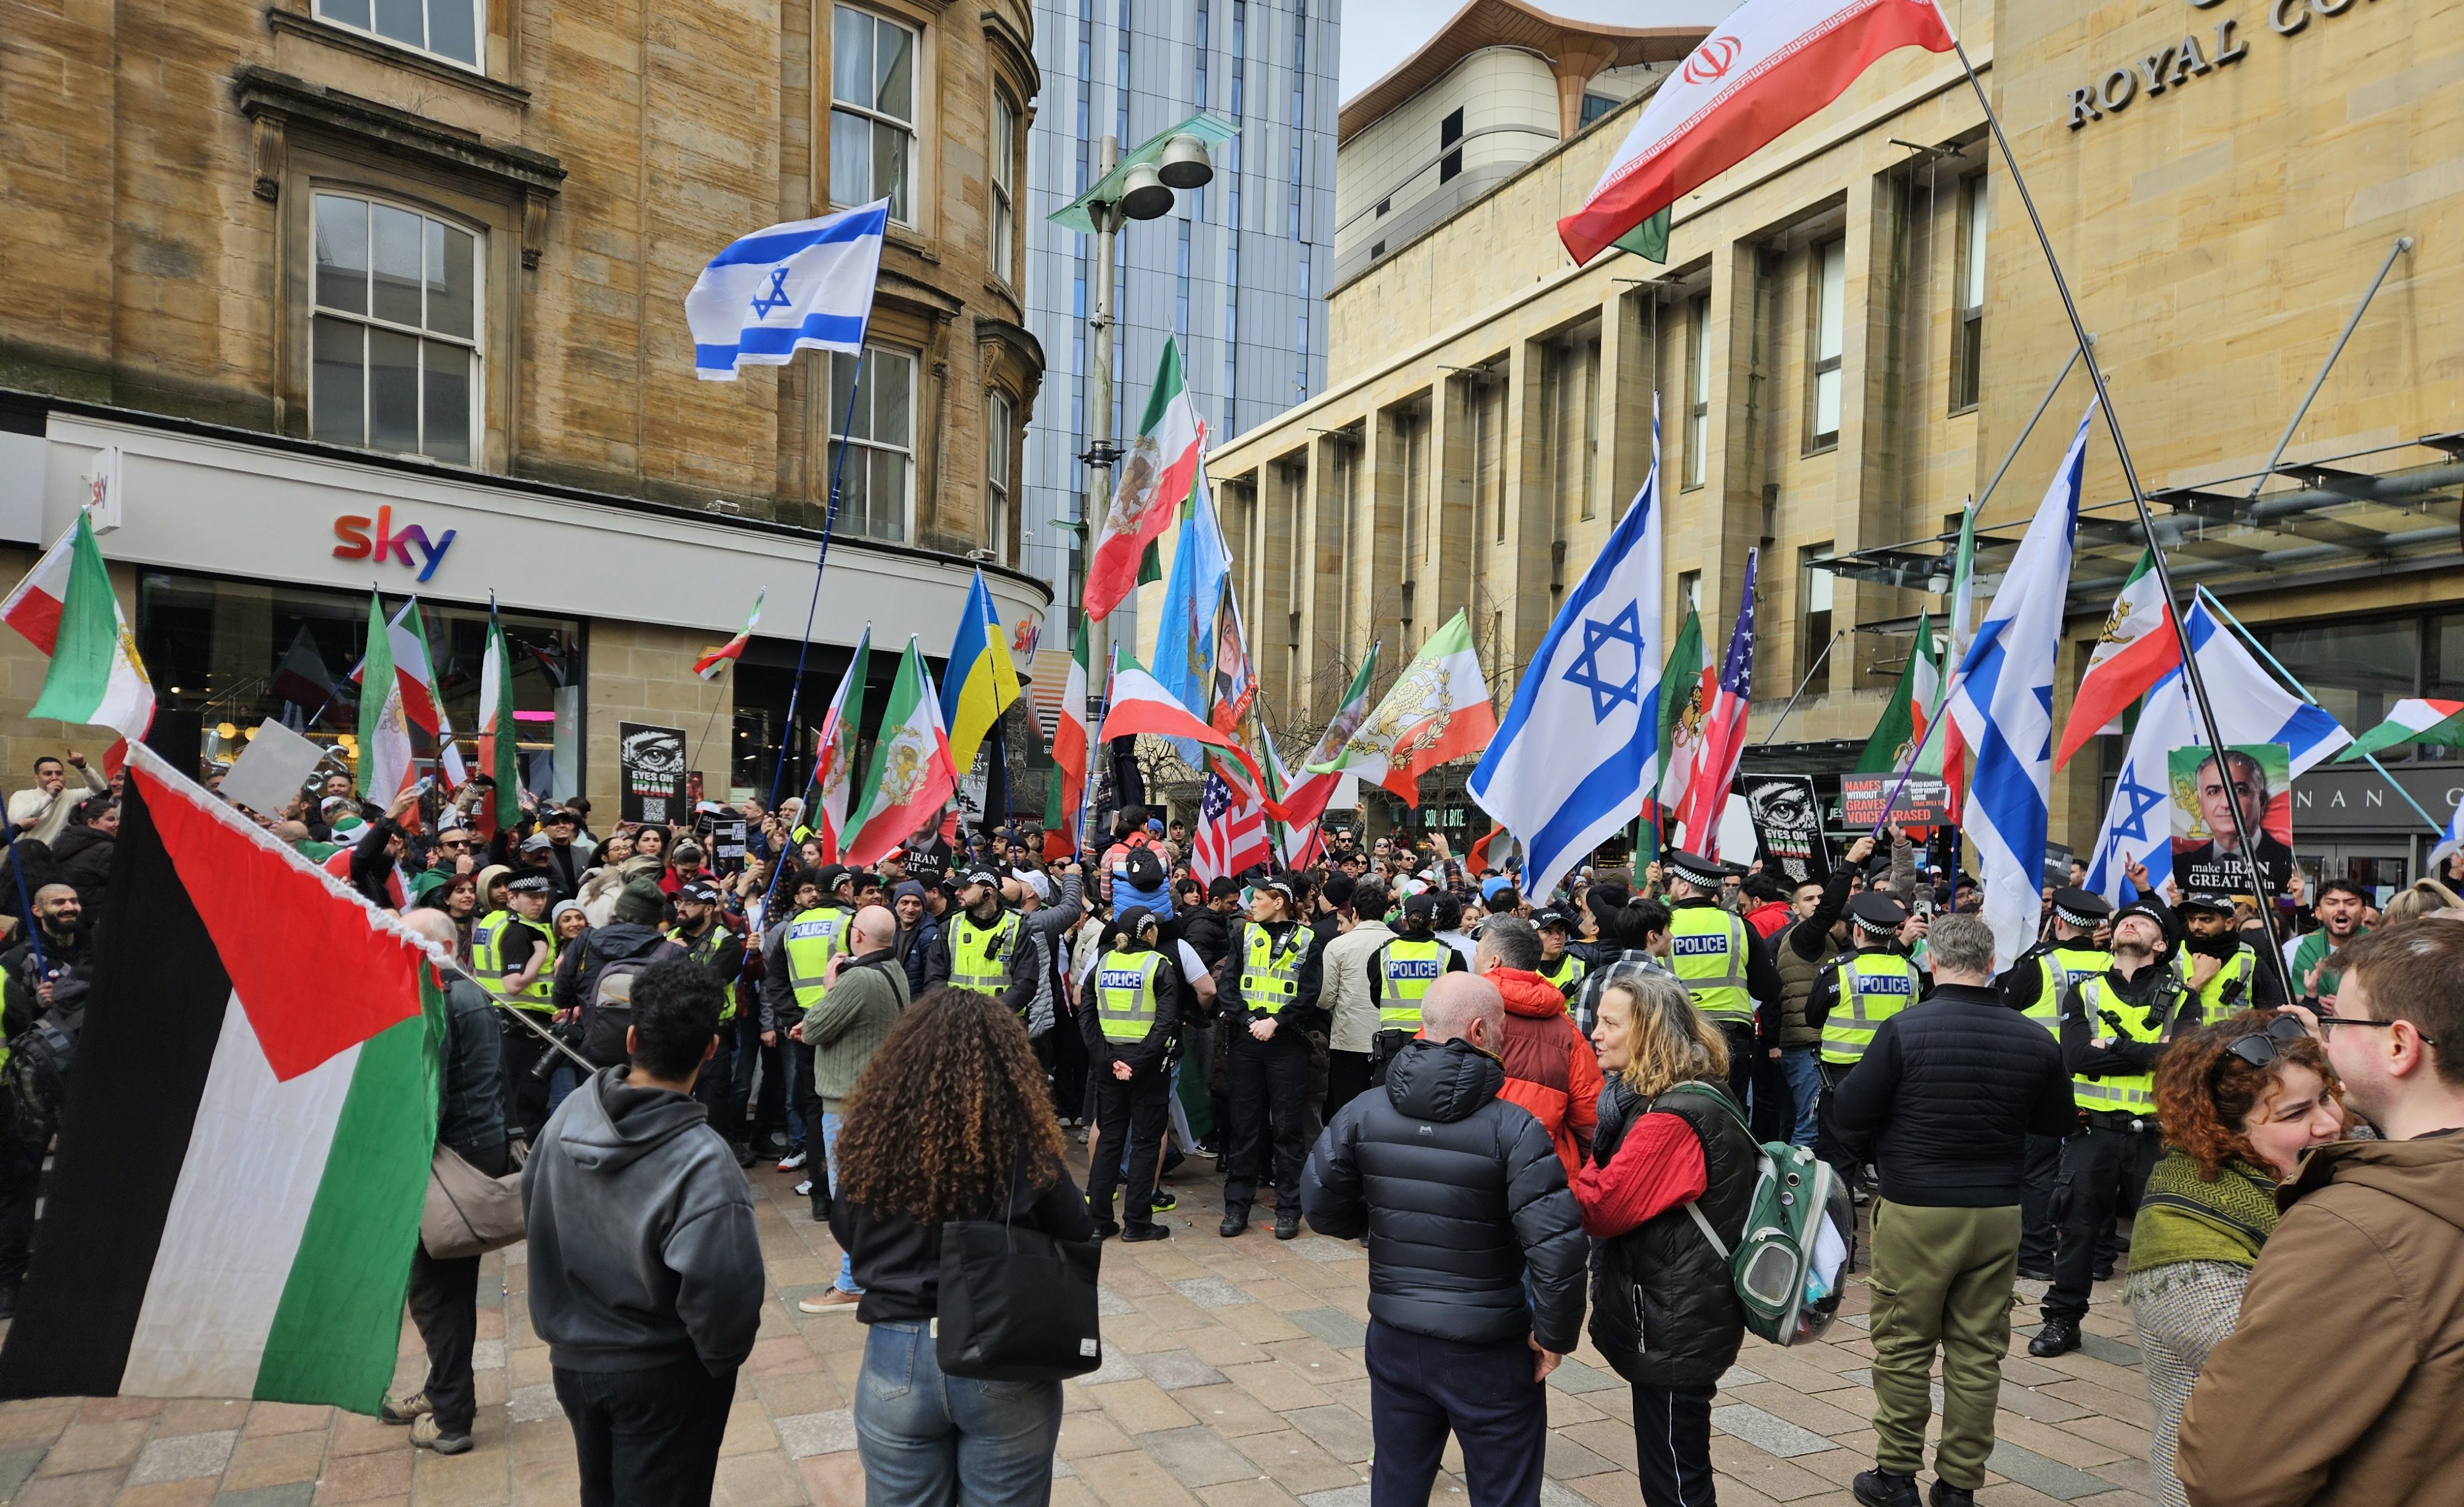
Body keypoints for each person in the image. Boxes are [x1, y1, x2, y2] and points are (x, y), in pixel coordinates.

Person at [2178, 918, 2464, 1506]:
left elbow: (2232, 1472)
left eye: (2338, 1022)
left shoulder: (2353, 1229)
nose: (2324, 1041)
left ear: (2400, 1045)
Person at [1301, 972, 1586, 1507]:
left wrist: (1379, 1223)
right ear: (1479, 1030)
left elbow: (1319, 1205)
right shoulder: (1515, 1127)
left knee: (1397, 1484)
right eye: (1500, 1029)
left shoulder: (1363, 1110)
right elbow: (1557, 1246)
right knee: (1506, 1493)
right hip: (1488, 1346)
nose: (1504, 1039)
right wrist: (1555, 1334)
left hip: (1395, 1332)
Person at [1830, 914, 2074, 1507]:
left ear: (1932, 962)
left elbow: (1848, 1113)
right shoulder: (2034, 1037)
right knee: (1978, 1351)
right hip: (1997, 1210)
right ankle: (1959, 1484)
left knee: (1904, 1345)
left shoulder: (1903, 1028)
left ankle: (1895, 1476)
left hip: (1917, 1208)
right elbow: (2056, 1123)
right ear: (1991, 964)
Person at [829, 987, 1095, 1504]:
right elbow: (1077, 1228)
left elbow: (846, 1228)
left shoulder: (873, 1144)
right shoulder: (1023, 1147)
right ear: (1008, 1066)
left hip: (897, 1352)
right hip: (1002, 1348)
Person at [524, 956, 763, 1507]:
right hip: (665, 1372)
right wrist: (718, 1360)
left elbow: (535, 1210)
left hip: (576, 1362)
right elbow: (725, 1292)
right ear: (711, 1048)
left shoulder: (566, 1117)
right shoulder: (704, 1160)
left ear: (632, 1038)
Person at [2124, 1012, 2341, 1507]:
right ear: (2224, 1131)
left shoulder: (2320, 1172)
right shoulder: (2183, 1236)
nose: (2330, 1123)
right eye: (2295, 1113)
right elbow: (2283, 1372)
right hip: (2229, 1485)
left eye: (2327, 1097)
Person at [1572, 967, 1761, 1507]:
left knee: (1676, 1481)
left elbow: (1602, 1206)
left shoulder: (1672, 1117)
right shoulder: (1678, 1096)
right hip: (1678, 1309)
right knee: (1671, 1464)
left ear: (1650, 1032)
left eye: (1611, 1023)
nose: (1595, 1033)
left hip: (1677, 1319)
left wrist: (1575, 1167)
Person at [2033, 897, 2200, 1357]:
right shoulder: (2084, 992)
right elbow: (2076, 1057)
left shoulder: (2182, 996)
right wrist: (2150, 1051)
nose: (2131, 923)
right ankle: (2063, 1320)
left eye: (2144, 922)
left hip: (2157, 1136)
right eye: (2126, 919)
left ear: (2161, 944)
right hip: (2093, 1133)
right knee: (2077, 1230)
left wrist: (2115, 1046)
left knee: (2165, 1235)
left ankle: (2171, 1331)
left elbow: (2182, 1060)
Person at [381, 910, 509, 1455]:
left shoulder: (447, 998)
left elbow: (427, 1092)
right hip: (466, 1151)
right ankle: (442, 1390)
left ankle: (452, 1414)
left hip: (449, 1157)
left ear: (443, 947)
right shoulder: (463, 992)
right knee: (443, 1288)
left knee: (438, 1294)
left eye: (409, 942)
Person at [793, 905, 910, 1311]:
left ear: (857, 935)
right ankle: (877, 1271)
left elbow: (814, 1028)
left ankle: (851, 1283)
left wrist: (830, 988)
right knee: (870, 1191)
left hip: (848, 1102)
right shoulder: (893, 968)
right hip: (877, 1096)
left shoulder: (856, 978)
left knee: (849, 1194)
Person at [2001, 887, 2113, 1277]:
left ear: (2059, 922)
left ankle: (2035, 1254)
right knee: (2097, 1171)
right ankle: (2098, 1258)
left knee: (2038, 1170)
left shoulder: (2041, 964)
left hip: (2044, 1082)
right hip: (2100, 1083)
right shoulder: (2112, 964)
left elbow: (2004, 1009)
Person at [1215, 873, 1325, 1239]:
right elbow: (1227, 987)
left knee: (1288, 1129)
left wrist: (1277, 1022)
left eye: (1259, 897)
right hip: (1247, 1041)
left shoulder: (1308, 939)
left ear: (1279, 902)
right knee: (1244, 1127)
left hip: (1286, 1044)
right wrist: (1249, 1020)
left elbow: (1309, 993)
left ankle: (1289, 1210)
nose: (1252, 904)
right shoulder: (1243, 934)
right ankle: (1236, 1207)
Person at [1809, 892, 1923, 1198]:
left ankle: (1840, 1225)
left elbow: (1812, 1016)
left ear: (1857, 930)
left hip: (1843, 1077)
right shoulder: (1911, 972)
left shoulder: (1839, 970)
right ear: (1892, 935)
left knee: (1839, 1160)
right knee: (1891, 1155)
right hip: (1895, 1077)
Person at [1080, 907, 1181, 1242]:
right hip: (1147, 1067)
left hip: (1109, 1063)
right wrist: (1137, 1063)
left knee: (1109, 1139)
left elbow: (1087, 1016)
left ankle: (1098, 1222)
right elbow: (1166, 1023)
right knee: (1145, 1143)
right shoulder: (1159, 966)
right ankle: (1137, 1223)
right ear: (1149, 933)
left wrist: (1107, 1060)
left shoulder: (1103, 962)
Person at [1472, 916, 1601, 1177]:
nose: (1474, 959)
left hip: (1469, 1166)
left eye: (1478, 952)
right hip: (1543, 1172)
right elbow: (1590, 1121)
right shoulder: (1568, 1033)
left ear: (1493, 962)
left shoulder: (1458, 1013)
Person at [1661, 850, 1782, 1110]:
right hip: (1731, 1035)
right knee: (1730, 1112)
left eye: (1673, 883)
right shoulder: (1739, 926)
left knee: (1678, 1108)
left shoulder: (1662, 925)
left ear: (1684, 887)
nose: (1670, 888)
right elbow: (1768, 988)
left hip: (1678, 1032)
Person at [1773, 838, 1873, 1152]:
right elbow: (1829, 912)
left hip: (1816, 1046)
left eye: (1820, 897)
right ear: (1795, 908)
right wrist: (1851, 861)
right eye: (1809, 899)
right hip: (1807, 1048)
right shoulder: (1804, 936)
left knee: (1811, 1124)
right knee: (1810, 1128)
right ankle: (1793, 1183)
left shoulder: (1826, 940)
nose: (1818, 902)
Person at [477, 874, 560, 1138]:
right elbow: (513, 984)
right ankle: (528, 1154)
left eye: (543, 896)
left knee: (511, 1099)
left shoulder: (494, 921)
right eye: (532, 897)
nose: (539, 903)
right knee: (528, 1101)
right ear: (512, 898)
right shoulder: (519, 931)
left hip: (501, 1019)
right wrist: (541, 953)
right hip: (523, 1026)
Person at [668, 882, 745, 1141]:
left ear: (708, 909)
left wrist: (677, 957)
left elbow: (707, 982)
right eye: (680, 902)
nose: (682, 908)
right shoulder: (668, 937)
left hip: (712, 1032)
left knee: (712, 1102)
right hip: (673, 1030)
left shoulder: (727, 942)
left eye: (690, 903)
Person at [1366, 892, 1466, 1082]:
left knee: (1388, 1093)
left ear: (1403, 920)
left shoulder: (1383, 954)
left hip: (1393, 1042)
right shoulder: (1450, 955)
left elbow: (1376, 996)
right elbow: (1460, 1002)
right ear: (1434, 921)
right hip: (1436, 1040)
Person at [1318, 877, 1393, 1118]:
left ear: (1355, 913)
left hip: (1349, 1039)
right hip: (1391, 1038)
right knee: (1384, 1108)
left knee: (1347, 1109)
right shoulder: (1401, 945)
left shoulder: (1338, 946)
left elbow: (1325, 1000)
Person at [2171, 751, 2294, 892]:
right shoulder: (2182, 869)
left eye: (2239, 790)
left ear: (2262, 801)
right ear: (2200, 805)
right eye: (2213, 792)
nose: (2226, 803)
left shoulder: (2285, 865)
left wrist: (2299, 901)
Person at [937, 868, 1034, 1022]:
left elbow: (1026, 983)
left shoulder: (1018, 927)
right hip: (957, 1021)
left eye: (965, 888)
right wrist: (955, 1011)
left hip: (1004, 1024)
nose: (957, 893)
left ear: (987, 893)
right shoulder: (949, 926)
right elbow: (934, 978)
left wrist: (989, 1013)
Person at [7, 753, 105, 845]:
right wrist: (50, 797)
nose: (55, 778)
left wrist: (83, 767)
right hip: (27, 853)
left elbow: (102, 792)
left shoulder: (73, 796)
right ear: (36, 778)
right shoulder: (22, 796)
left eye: (59, 773)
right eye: (48, 774)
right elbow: (15, 820)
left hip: (59, 854)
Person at [48, 796, 114, 917]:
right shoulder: (107, 850)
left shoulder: (64, 842)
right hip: (101, 914)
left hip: (74, 913)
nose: (117, 824)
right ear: (92, 823)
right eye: (111, 819)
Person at [890, 880, 947, 996]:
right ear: (896, 905)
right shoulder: (892, 930)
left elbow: (933, 978)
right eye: (905, 903)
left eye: (916, 904)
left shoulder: (930, 935)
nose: (910, 909)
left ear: (923, 907)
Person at [1531, 908, 1587, 999]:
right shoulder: (1523, 969)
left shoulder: (1580, 965)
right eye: (1548, 932)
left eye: (1560, 930)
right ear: (1533, 935)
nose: (1557, 936)